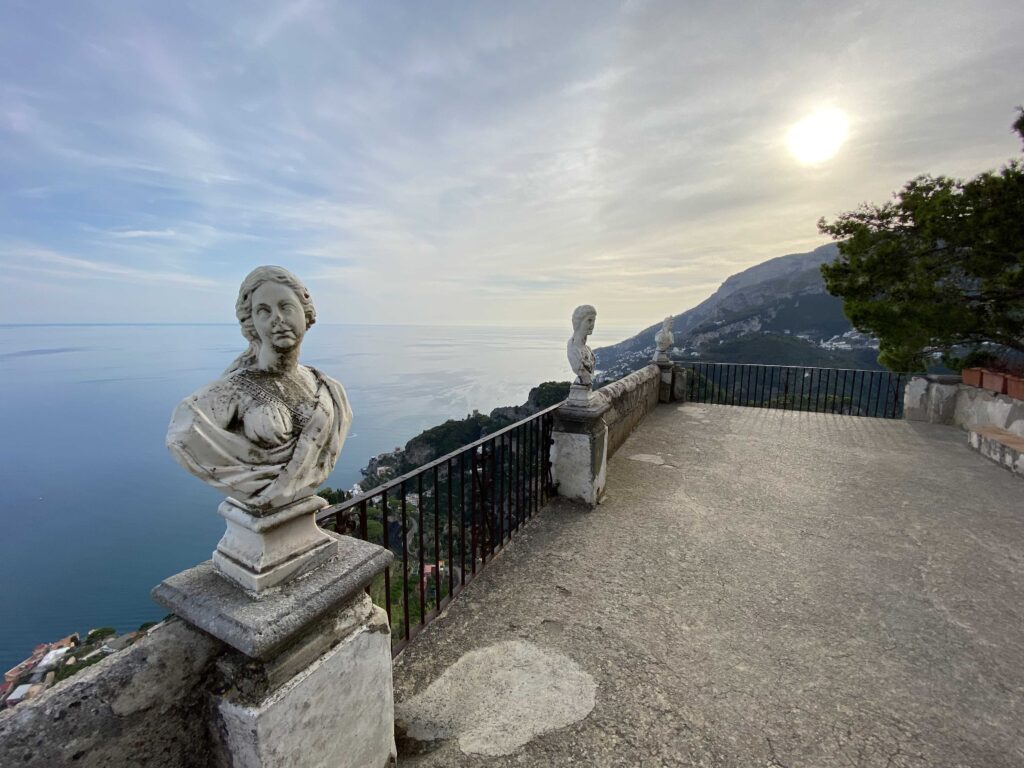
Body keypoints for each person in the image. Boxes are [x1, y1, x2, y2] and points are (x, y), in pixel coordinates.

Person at [166, 266, 352, 511]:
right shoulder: (235, 389)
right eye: (263, 311)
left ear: (306, 314)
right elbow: (183, 435)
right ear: (251, 322)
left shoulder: (329, 389)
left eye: (286, 307)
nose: (277, 318)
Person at [567, 304, 597, 387]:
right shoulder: (573, 348)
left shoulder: (588, 349)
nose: (593, 324)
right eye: (589, 320)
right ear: (578, 322)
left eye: (594, 321)